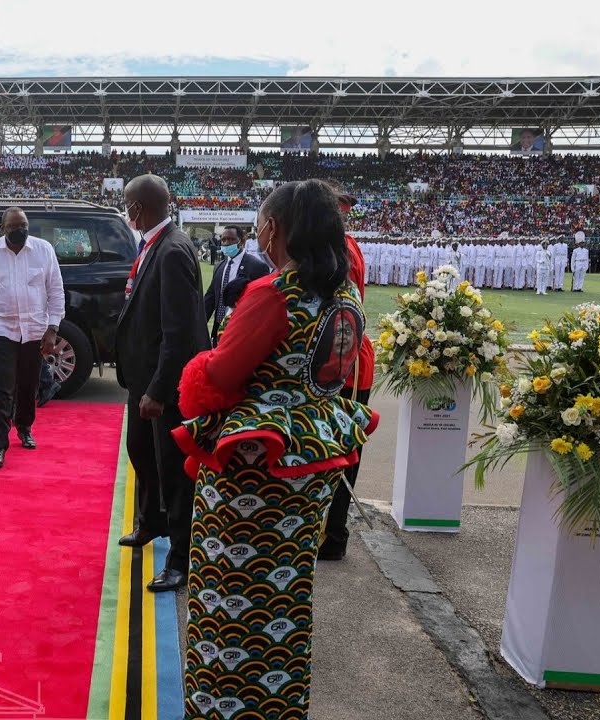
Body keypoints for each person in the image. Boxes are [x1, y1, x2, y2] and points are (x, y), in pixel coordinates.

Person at [172, 180, 377, 718]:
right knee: (285, 595)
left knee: (231, 595)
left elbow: (219, 373)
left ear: (274, 230)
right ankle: (280, 703)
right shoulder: (347, 294)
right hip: (314, 459)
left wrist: (198, 378)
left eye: (264, 224)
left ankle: (225, 705)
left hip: (255, 470)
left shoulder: (272, 294)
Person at [114, 174, 209, 593]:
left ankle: (180, 557)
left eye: (127, 203)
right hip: (143, 379)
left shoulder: (171, 250)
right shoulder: (154, 242)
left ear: (138, 208)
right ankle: (150, 521)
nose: (125, 209)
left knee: (174, 473)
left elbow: (181, 332)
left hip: (164, 385)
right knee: (143, 456)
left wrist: (158, 388)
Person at [0, 207, 65, 470]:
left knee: (28, 384)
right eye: (14, 226)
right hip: (1, 328)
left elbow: (55, 290)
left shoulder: (43, 250)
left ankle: (24, 426)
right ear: (2, 228)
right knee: (2, 387)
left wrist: (52, 328)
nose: (20, 230)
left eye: (24, 225)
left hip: (34, 328)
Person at [319, 188, 377, 562]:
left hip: (344, 364)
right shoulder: (344, 245)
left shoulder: (336, 251)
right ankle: (332, 533)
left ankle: (333, 535)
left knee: (339, 454)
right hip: (347, 360)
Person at [205, 225, 270, 345]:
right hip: (218, 331)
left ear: (242, 240)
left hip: (242, 333)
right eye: (223, 240)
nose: (226, 243)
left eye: (231, 239)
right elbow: (210, 299)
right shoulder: (219, 267)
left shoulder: (257, 267)